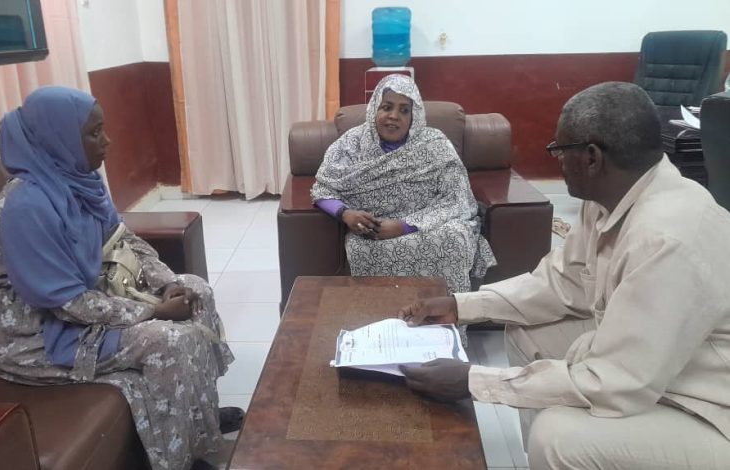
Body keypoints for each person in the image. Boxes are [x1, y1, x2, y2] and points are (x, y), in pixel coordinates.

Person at [397, 82, 730, 469]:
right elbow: (558, 284)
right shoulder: (611, 199)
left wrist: (473, 381)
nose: (556, 160)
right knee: (528, 332)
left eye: (559, 150)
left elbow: (617, 381)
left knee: (556, 437)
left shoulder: (666, 238)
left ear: (591, 158)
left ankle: (562, 454)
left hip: (709, 410)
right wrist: (460, 305)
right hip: (661, 369)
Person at [0, 86, 239, 470]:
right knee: (167, 340)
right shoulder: (26, 207)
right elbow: (65, 302)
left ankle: (201, 415)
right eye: (94, 133)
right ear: (60, 139)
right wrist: (153, 312)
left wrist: (167, 283)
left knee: (197, 290)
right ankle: (179, 461)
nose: (107, 140)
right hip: (33, 334)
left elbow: (122, 240)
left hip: (88, 296)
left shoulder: (81, 180)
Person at [311, 74, 495, 293]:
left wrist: (403, 226)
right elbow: (322, 187)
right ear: (374, 109)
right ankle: (384, 312)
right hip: (373, 233)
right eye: (386, 107)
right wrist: (346, 214)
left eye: (404, 110)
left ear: (414, 115)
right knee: (360, 249)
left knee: (455, 238)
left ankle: (441, 312)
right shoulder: (352, 143)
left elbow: (457, 199)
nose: (394, 116)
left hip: (427, 225)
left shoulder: (434, 143)